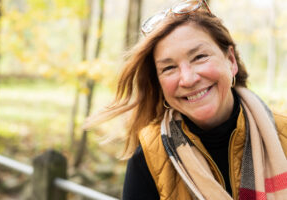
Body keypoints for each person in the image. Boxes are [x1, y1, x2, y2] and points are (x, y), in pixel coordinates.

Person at [84, 0, 287, 199]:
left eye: (199, 57)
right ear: (159, 84)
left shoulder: (283, 134)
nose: (188, 79)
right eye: (169, 68)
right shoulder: (147, 159)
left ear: (231, 60)